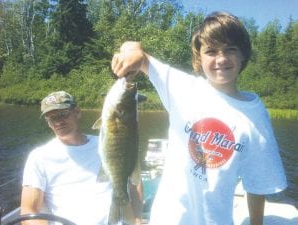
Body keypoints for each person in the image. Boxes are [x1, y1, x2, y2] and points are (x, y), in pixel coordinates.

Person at [111, 12, 287, 225]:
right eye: (211, 51)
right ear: (198, 58)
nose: (221, 59)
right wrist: (131, 51)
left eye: (230, 49)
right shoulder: (184, 88)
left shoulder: (254, 115)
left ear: (243, 54)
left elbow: (258, 183)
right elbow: (140, 55)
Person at [20, 91, 143, 225]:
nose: (58, 122)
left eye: (63, 114)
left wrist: (137, 220)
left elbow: (134, 183)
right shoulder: (39, 157)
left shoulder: (106, 144)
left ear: (77, 112)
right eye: (51, 118)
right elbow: (28, 210)